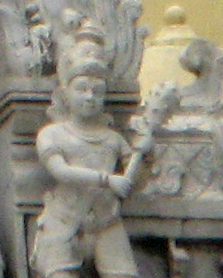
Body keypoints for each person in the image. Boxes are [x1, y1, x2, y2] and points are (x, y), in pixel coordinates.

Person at [32, 25, 141, 278]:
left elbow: (135, 178)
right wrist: (107, 180)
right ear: (64, 94)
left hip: (107, 222)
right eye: (81, 89)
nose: (90, 97)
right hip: (64, 220)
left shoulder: (113, 139)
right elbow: (61, 171)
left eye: (97, 91)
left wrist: (143, 153)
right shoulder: (52, 134)